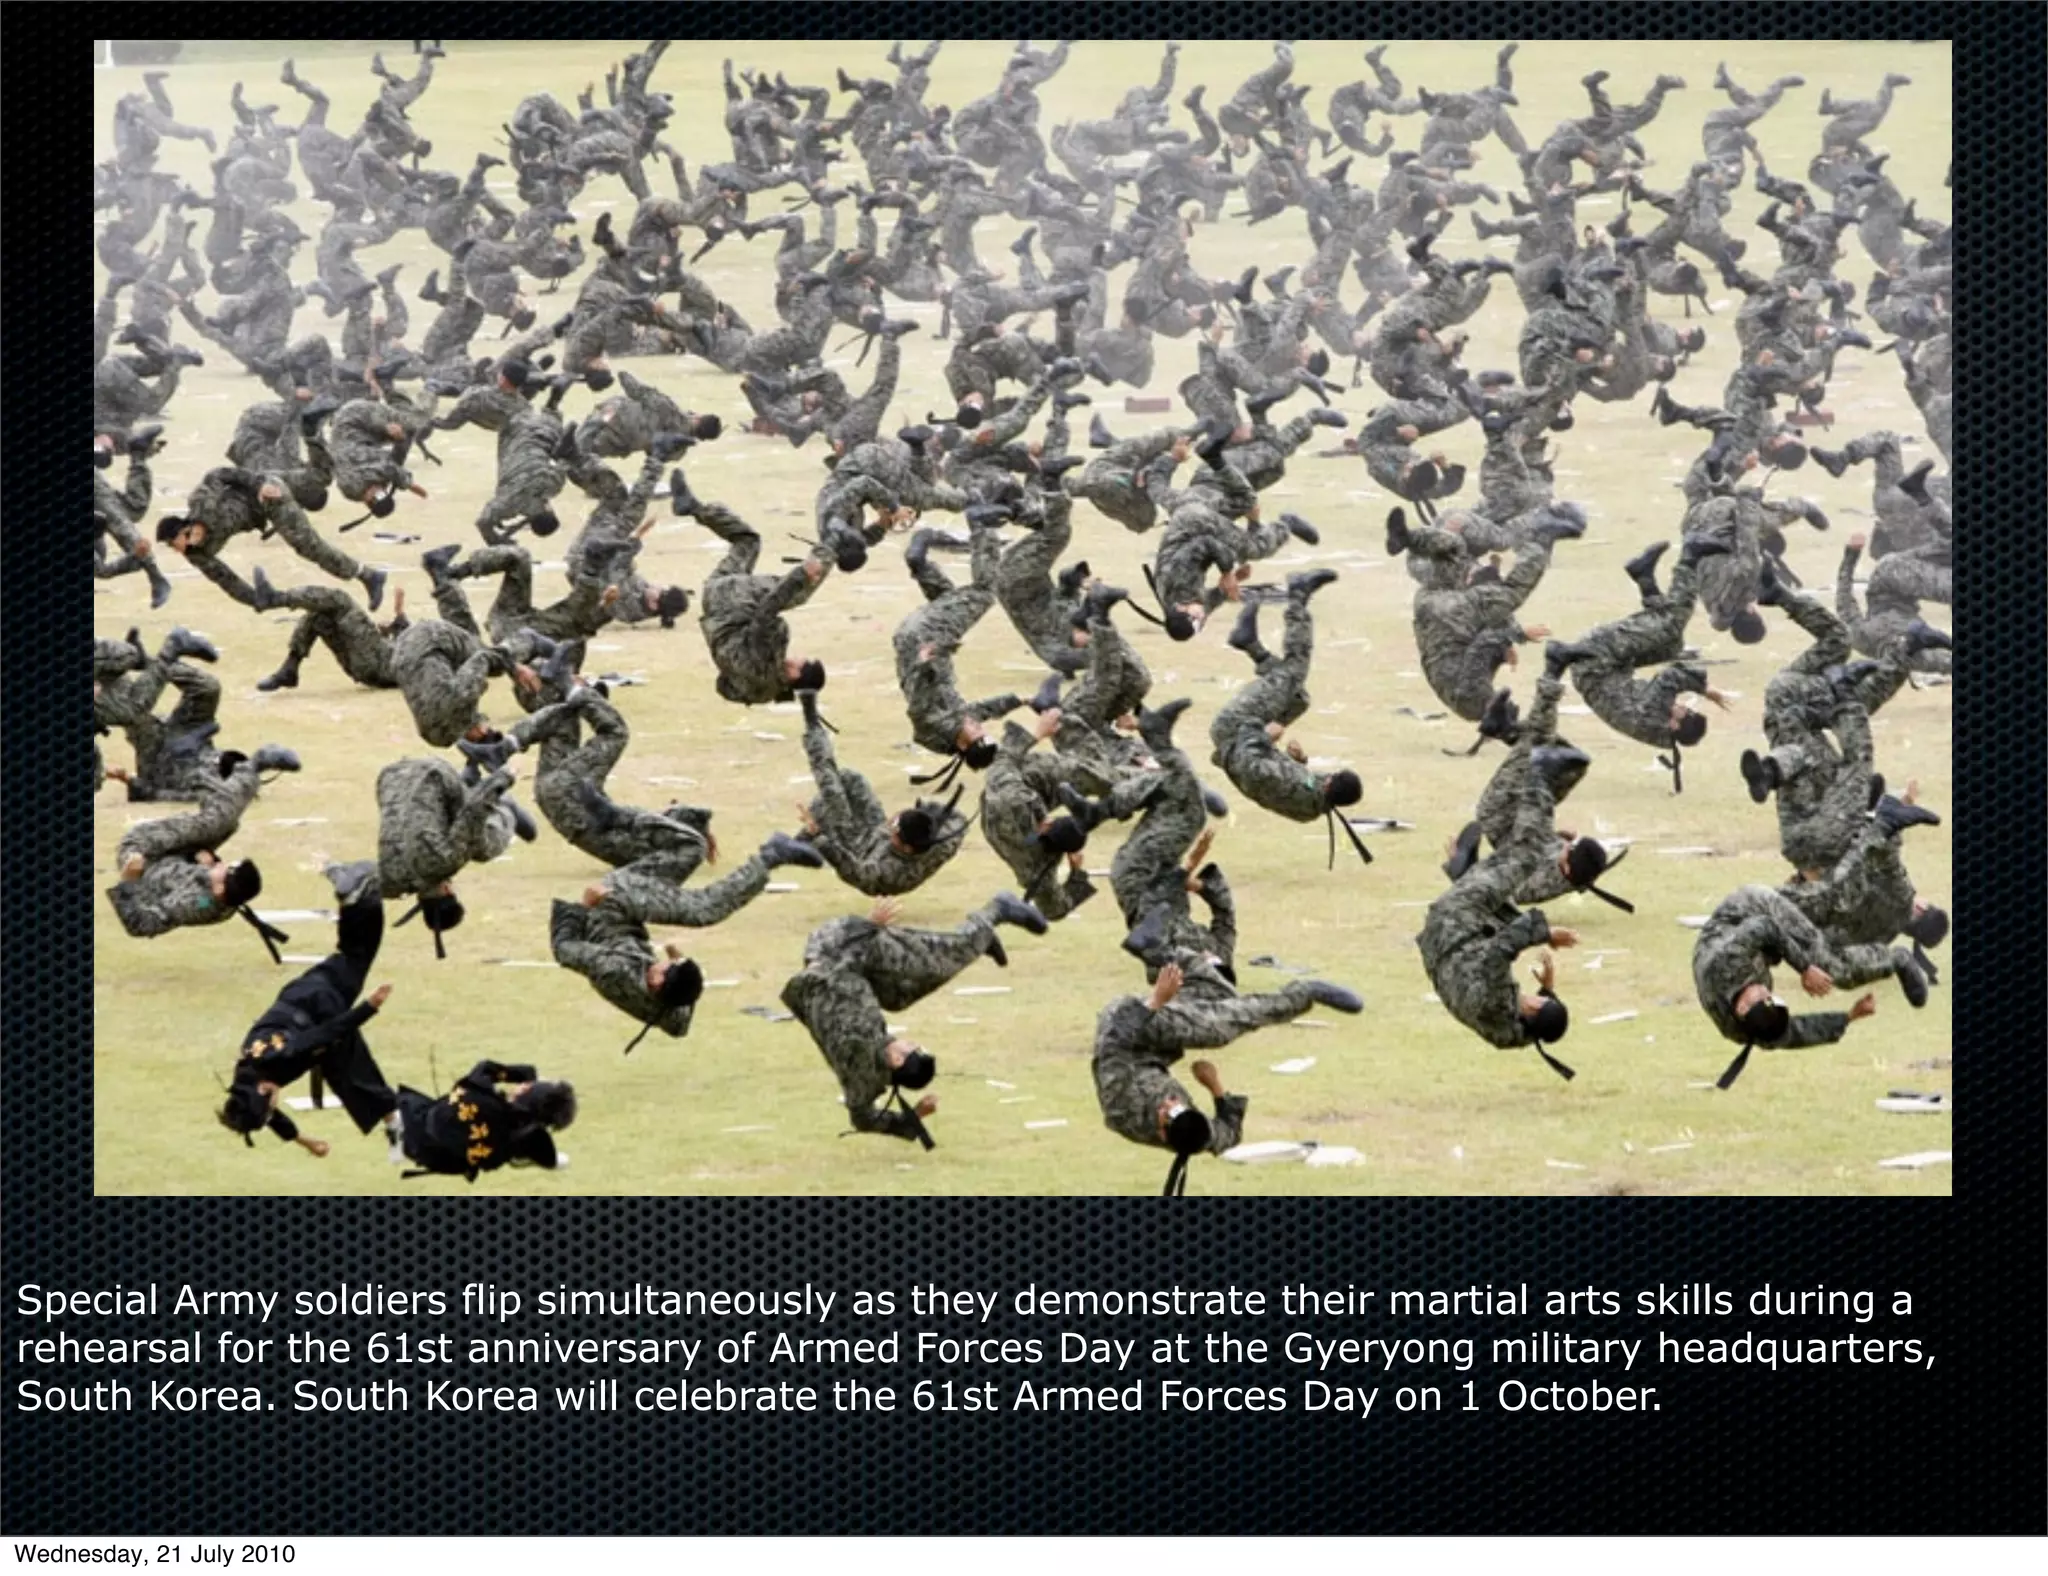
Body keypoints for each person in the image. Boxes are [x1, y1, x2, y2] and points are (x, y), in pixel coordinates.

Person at [1092, 961, 1363, 1194]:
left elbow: (1115, 1039)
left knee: (1219, 1027)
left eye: (1168, 1110)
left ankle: (1302, 994)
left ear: (1162, 1130)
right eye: (1179, 1106)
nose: (1171, 1104)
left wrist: (1157, 1000)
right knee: (1219, 996)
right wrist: (1215, 1087)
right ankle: (1162, 948)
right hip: (1157, 1047)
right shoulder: (1194, 1134)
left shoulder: (1122, 1104)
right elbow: (1229, 1136)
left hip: (1126, 1024)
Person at [216, 863, 401, 1157]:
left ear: (265, 1091)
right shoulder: (248, 1078)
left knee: (357, 956)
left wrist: (369, 1007)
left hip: (319, 1002)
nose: (273, 1110)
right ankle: (360, 895)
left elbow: (326, 1032)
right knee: (353, 954)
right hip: (302, 997)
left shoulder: (277, 1058)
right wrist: (307, 1142)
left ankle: (357, 895)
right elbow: (270, 1118)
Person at [1690, 881, 1929, 1089]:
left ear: (1742, 1007)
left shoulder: (1724, 961)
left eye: (1762, 993)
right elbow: (1795, 1033)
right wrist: (1848, 1017)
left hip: (1750, 910)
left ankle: (1897, 959)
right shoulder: (1750, 1029)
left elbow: (1766, 926)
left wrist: (1804, 968)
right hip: (1759, 948)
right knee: (1824, 934)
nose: (1766, 989)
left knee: (1831, 967)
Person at [395, 1062, 576, 1181]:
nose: (523, 1085)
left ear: (526, 1093)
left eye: (527, 1086)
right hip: (437, 1159)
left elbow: (484, 1068)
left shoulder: (483, 1098)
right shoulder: (513, 1142)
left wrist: (524, 1073)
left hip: (415, 1122)